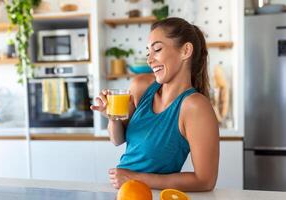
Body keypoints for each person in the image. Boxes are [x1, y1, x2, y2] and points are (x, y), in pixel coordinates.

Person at [90, 17, 219, 192]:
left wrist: (135, 178)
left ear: (186, 51)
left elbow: (205, 181)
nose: (149, 59)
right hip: (124, 191)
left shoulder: (195, 107)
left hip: (154, 194)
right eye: (148, 52)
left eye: (157, 49)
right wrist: (113, 117)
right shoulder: (141, 86)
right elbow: (117, 139)